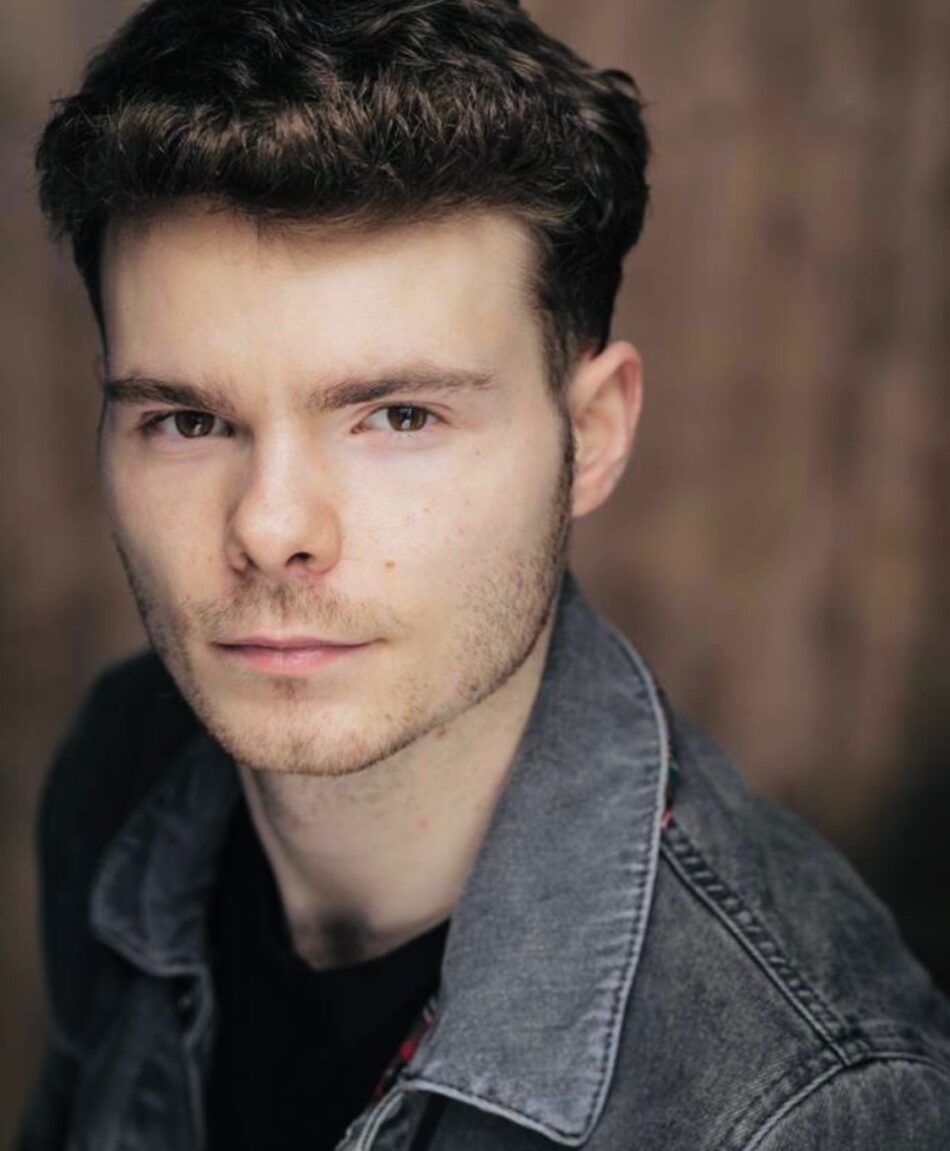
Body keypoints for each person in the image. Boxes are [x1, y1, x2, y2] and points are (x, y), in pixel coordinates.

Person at [19, 1, 950, 1148]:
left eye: (398, 414)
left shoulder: (803, 1102)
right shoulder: (123, 765)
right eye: (185, 420)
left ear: (593, 433)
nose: (268, 528)